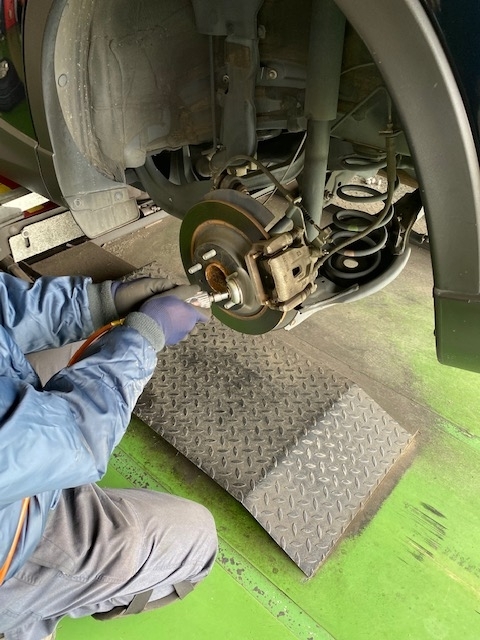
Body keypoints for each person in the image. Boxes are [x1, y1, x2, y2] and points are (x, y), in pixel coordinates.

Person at [0, 272, 218, 640]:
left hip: (18, 473)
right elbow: (75, 436)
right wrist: (144, 337)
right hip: (13, 534)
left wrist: (98, 303)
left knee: (83, 344)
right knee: (197, 543)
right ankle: (23, 618)